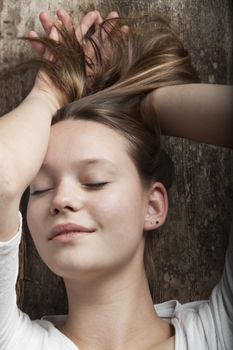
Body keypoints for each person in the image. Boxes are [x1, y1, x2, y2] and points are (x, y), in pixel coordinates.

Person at [0, 8, 232, 350]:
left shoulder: (218, 334)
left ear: (152, 204)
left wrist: (144, 102)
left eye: (94, 181)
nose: (61, 199)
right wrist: (46, 94)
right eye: (40, 189)